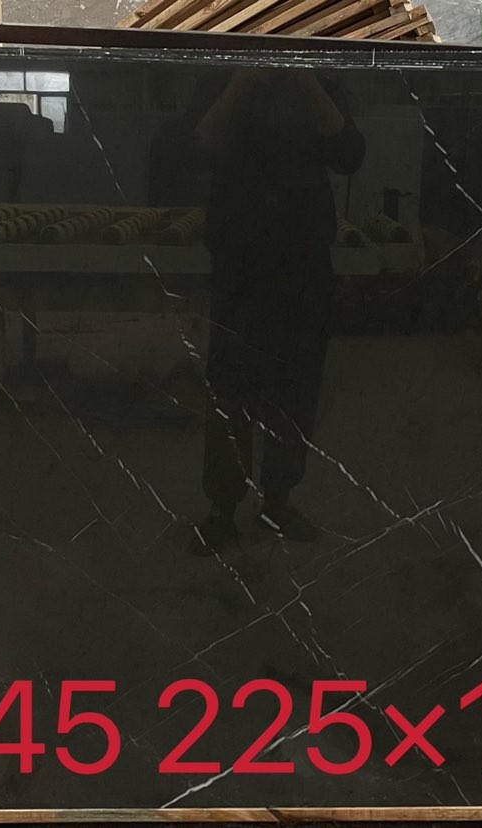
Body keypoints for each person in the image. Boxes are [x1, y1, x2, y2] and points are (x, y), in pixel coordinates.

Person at [190, 69, 365, 552]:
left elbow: (350, 153)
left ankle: (278, 502)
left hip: (301, 262)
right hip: (240, 264)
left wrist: (308, 83)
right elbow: (196, 145)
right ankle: (223, 507)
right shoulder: (224, 72)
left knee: (295, 388)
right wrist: (238, 83)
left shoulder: (317, 76)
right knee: (230, 390)